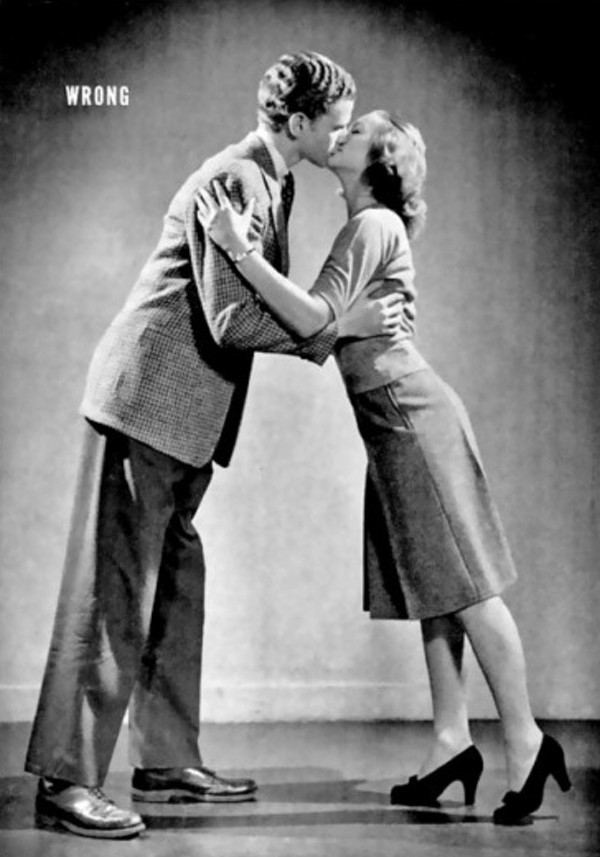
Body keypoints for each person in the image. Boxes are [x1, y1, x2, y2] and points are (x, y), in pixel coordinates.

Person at [25, 53, 407, 840]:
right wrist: (338, 330)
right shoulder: (235, 178)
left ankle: (166, 758)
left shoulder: (277, 181)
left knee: (176, 585)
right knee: (114, 592)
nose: (344, 136)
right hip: (145, 405)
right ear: (297, 123)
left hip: (186, 417)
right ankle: (65, 779)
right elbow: (233, 319)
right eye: (337, 123)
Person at [196, 109, 572, 826]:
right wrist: (339, 321)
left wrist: (239, 251)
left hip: (411, 416)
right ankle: (450, 741)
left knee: (469, 588)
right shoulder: (367, 226)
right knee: (438, 588)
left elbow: (311, 320)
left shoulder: (372, 225)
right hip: (394, 420)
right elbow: (324, 327)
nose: (342, 134)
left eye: (359, 130)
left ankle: (527, 740)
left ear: (381, 160)